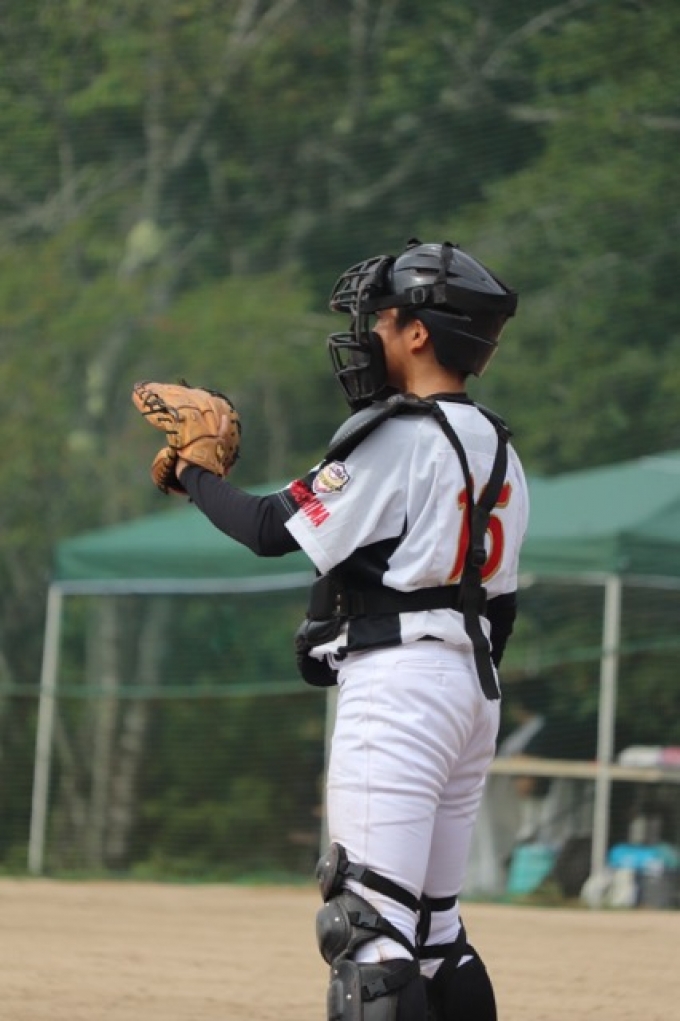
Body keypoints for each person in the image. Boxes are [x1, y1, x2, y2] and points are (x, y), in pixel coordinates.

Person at [174, 239, 529, 1021]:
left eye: (383, 318)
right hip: (472, 688)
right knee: (436, 934)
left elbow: (270, 527)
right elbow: (499, 609)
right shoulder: (500, 447)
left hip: (402, 688)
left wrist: (194, 473)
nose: (369, 333)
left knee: (367, 931)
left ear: (418, 333)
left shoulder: (398, 434)